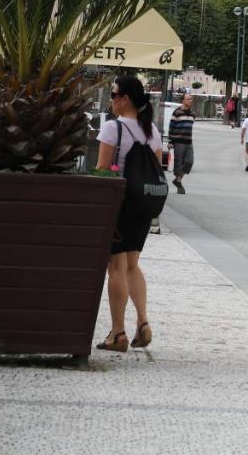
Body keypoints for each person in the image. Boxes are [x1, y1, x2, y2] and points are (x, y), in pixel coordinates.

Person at [95, 75, 162, 352]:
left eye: (113, 95)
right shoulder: (152, 131)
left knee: (116, 268)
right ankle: (143, 323)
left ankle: (118, 333)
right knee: (132, 265)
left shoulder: (113, 129)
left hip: (119, 206)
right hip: (143, 208)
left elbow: (101, 169)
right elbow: (156, 170)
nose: (111, 100)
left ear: (124, 99)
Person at [168, 94, 195, 194]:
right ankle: (179, 184)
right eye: (188, 99)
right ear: (183, 100)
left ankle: (177, 180)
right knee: (178, 164)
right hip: (178, 142)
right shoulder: (177, 112)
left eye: (191, 99)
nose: (190, 101)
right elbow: (171, 127)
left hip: (188, 141)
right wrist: (170, 142)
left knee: (189, 162)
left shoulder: (193, 113)